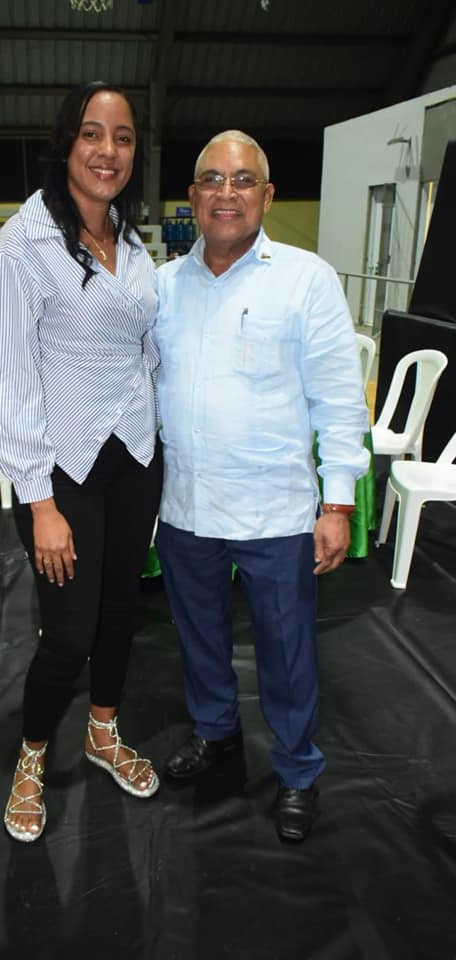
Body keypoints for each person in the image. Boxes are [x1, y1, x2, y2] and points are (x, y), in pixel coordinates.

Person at [154, 130, 370, 843]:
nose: (227, 192)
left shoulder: (306, 279)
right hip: (186, 505)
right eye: (212, 179)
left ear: (267, 196)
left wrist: (337, 502)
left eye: (243, 180)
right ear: (193, 196)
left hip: (276, 511)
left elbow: (339, 400)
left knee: (287, 651)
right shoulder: (162, 286)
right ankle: (216, 735)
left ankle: (298, 769)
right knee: (199, 638)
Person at [0, 80, 162, 843]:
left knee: (120, 610)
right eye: (93, 133)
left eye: (123, 137)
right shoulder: (22, 244)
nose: (108, 151)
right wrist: (40, 501)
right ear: (66, 143)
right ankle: (31, 757)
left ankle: (102, 732)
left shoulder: (130, 236)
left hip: (136, 456)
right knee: (68, 634)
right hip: (63, 470)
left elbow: (143, 345)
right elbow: (12, 377)